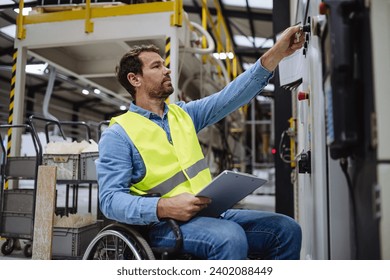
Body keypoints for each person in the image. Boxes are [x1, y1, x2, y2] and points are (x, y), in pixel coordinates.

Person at [96, 25, 304, 260]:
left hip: (208, 214)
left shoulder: (184, 114)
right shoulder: (119, 134)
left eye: (164, 65)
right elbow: (110, 200)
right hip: (161, 225)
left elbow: (230, 96)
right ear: (134, 79)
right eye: (157, 66)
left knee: (285, 229)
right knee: (229, 236)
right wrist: (163, 207)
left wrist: (276, 53)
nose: (167, 70)